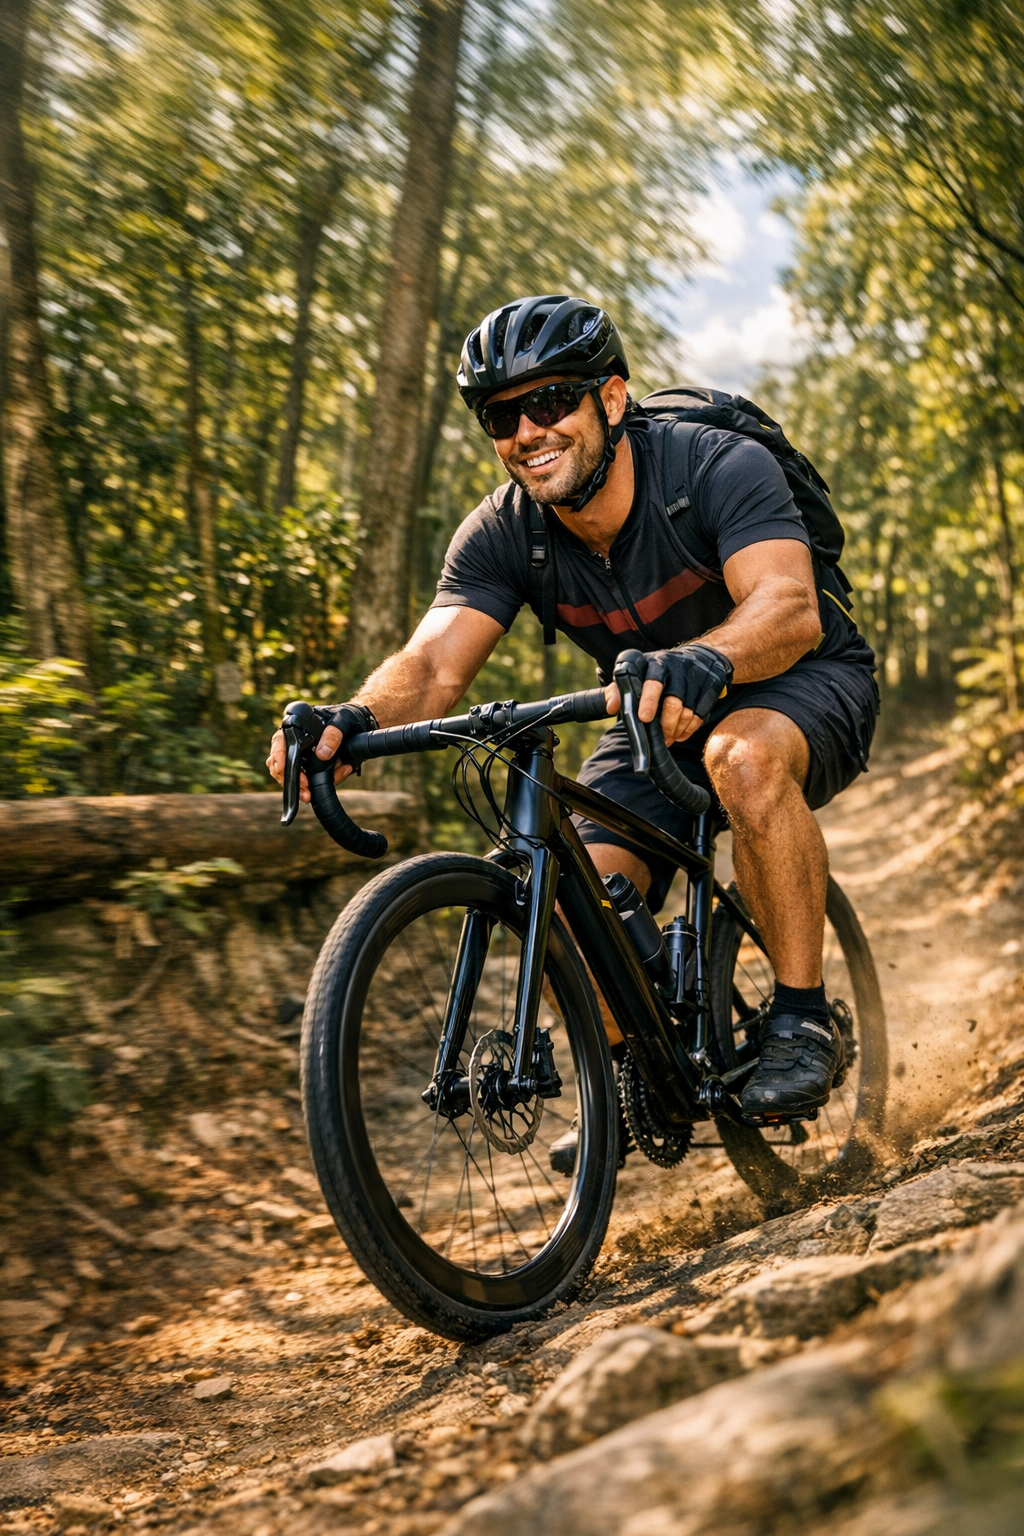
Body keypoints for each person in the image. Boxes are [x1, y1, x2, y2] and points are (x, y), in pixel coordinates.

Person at [266, 293, 878, 1162]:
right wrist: (351, 718)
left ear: (612, 400)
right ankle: (631, 1073)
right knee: (569, 890)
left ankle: (802, 1020)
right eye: (500, 414)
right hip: (644, 713)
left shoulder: (713, 466)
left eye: (550, 401)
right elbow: (435, 664)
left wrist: (709, 659)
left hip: (801, 677)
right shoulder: (504, 533)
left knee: (739, 756)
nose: (527, 430)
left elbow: (788, 607)